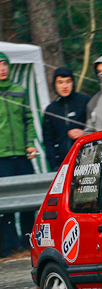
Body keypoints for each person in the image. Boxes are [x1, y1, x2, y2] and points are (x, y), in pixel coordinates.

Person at [0, 53, 37, 256]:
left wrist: (30, 143)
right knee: (5, 205)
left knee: (27, 202)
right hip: (2, 158)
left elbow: (29, 119)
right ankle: (9, 247)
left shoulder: (19, 91)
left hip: (22, 155)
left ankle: (28, 243)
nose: (2, 68)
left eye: (4, 64)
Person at [42, 67, 90, 171]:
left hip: (88, 160)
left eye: (68, 82)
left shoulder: (85, 101)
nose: (64, 86)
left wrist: (84, 132)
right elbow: (48, 141)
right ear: (55, 85)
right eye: (60, 82)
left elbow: (98, 126)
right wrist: (54, 165)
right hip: (63, 164)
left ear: (73, 83)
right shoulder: (51, 109)